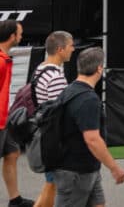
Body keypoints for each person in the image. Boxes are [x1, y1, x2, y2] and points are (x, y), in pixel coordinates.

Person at [52, 48, 124, 206]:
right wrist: (114, 168)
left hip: (88, 169)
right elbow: (92, 139)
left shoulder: (69, 91)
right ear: (99, 68)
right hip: (75, 172)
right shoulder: (88, 99)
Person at [31, 31, 75, 207]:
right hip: (53, 138)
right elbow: (59, 112)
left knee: (51, 184)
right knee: (53, 185)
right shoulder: (55, 77)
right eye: (71, 45)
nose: (73, 49)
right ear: (60, 49)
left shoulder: (41, 68)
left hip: (45, 133)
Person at [0, 21, 32, 207]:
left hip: (5, 118)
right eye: (19, 34)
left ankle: (15, 200)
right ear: (12, 36)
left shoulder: (5, 58)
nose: (21, 37)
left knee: (12, 153)